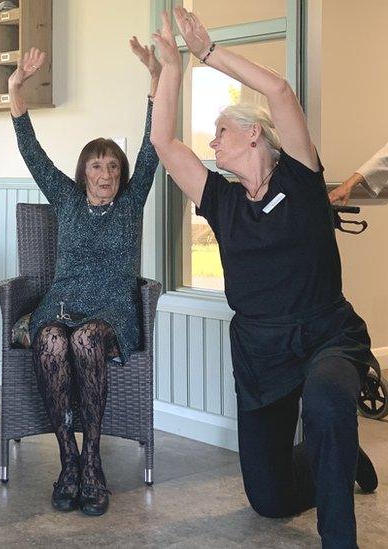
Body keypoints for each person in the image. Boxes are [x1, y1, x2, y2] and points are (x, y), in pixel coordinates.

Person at [149, 8, 379, 546]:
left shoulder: (299, 176)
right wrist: (171, 71)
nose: (212, 143)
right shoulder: (223, 202)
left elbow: (279, 90)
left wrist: (208, 53)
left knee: (325, 400)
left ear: (255, 135)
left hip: (326, 336)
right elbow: (165, 145)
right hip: (260, 350)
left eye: (221, 132)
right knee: (269, 499)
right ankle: (338, 459)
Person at [8, 43, 161, 516]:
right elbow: (32, 153)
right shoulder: (67, 199)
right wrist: (16, 88)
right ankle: (67, 459)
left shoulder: (132, 203)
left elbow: (153, 144)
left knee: (88, 340)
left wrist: (157, 82)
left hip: (112, 310)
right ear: (83, 171)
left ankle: (92, 461)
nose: (105, 172)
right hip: (62, 303)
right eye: (96, 164)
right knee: (52, 340)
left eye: (113, 165)